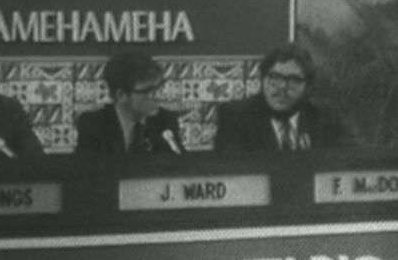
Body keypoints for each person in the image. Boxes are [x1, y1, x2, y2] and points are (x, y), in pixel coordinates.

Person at [215, 44, 349, 152]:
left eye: (293, 80)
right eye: (275, 77)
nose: (282, 87)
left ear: (308, 86)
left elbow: (355, 158)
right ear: (262, 80)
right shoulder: (236, 115)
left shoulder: (326, 116)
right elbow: (233, 172)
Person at [75, 52, 185, 155]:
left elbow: (180, 166)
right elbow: (86, 170)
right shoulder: (93, 124)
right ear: (121, 95)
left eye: (159, 88)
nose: (158, 96)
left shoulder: (165, 121)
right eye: (149, 91)